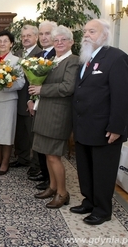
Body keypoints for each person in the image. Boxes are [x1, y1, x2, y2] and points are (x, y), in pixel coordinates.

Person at [71, 19, 128, 225]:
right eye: (85, 31)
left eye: (92, 31)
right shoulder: (85, 58)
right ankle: (89, 201)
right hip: (83, 126)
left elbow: (123, 96)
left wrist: (117, 127)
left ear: (104, 35)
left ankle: (103, 209)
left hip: (105, 129)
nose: (86, 35)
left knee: (103, 172)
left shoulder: (116, 58)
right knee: (86, 169)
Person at [28, 25, 79, 209]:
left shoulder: (72, 61)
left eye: (63, 40)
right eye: (56, 40)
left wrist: (42, 89)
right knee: (46, 154)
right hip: (45, 111)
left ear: (71, 42)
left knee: (54, 156)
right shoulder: (53, 59)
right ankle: (52, 186)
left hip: (58, 115)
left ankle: (62, 193)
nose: (59, 43)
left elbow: (67, 87)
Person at [0, 30, 25, 175]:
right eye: (0, 41)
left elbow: (20, 83)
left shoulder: (16, 61)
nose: (2, 44)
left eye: (5, 41)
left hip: (7, 101)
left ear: (11, 44)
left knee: (6, 133)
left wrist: (4, 85)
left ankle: (5, 162)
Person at [29, 21, 57, 190]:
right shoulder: (38, 55)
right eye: (41, 34)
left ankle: (50, 180)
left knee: (48, 145)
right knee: (38, 140)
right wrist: (30, 99)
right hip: (36, 104)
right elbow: (32, 81)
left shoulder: (58, 55)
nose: (44, 37)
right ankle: (44, 172)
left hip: (50, 105)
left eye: (48, 34)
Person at [11, 25, 42, 176]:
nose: (25, 38)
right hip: (16, 99)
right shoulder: (17, 54)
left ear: (36, 37)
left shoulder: (40, 54)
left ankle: (36, 164)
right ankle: (22, 158)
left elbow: (39, 81)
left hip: (31, 100)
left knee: (33, 134)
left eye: (29, 36)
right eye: (23, 36)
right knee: (20, 133)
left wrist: (32, 100)